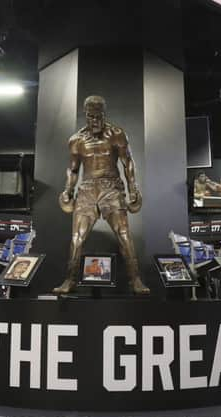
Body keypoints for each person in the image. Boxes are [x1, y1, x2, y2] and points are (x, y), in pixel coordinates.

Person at [53, 95, 148, 294]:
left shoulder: (116, 134)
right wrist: (68, 190)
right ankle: (69, 280)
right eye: (90, 116)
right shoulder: (76, 140)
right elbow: (73, 169)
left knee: (123, 234)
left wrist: (133, 189)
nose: (94, 121)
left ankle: (136, 280)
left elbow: (127, 162)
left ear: (104, 114)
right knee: (77, 238)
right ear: (85, 115)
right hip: (87, 189)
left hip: (111, 188)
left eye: (98, 116)